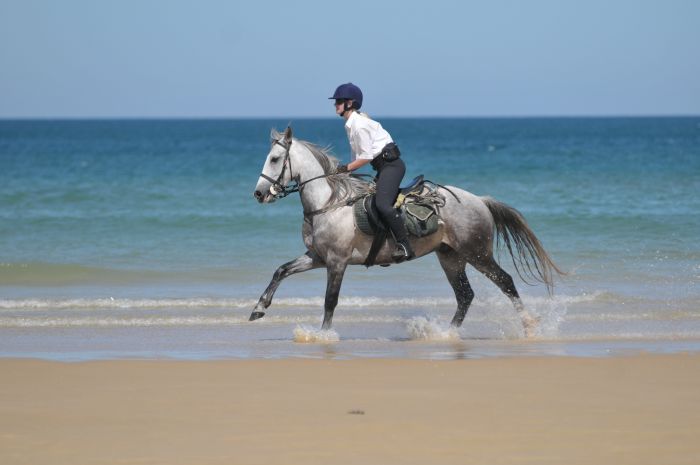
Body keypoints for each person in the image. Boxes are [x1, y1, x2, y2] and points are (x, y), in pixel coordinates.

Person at [329, 82, 415, 263]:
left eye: (339, 101)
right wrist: (345, 175)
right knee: (364, 202)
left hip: (392, 167)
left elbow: (366, 157)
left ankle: (405, 245)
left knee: (383, 205)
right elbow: (356, 156)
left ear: (350, 103)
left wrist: (344, 169)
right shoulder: (350, 125)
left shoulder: (359, 125)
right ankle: (381, 248)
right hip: (383, 168)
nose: (335, 104)